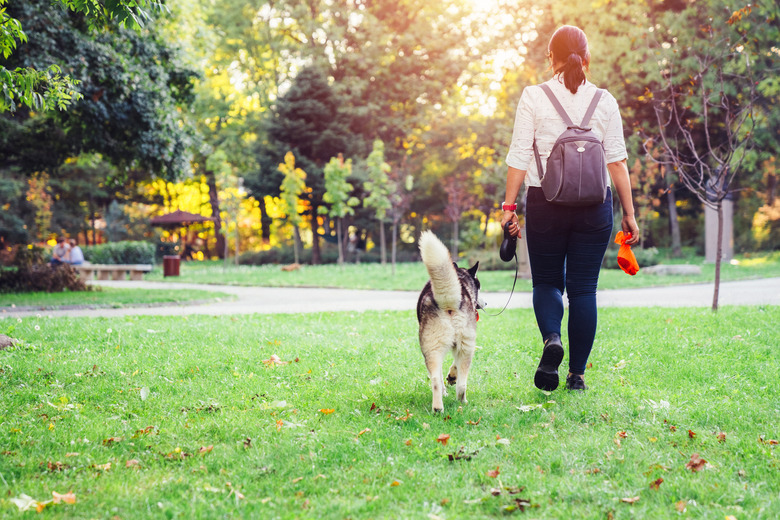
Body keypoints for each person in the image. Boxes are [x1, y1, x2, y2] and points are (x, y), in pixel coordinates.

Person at [501, 25, 640, 391]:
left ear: (552, 58)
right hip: (596, 207)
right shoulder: (605, 101)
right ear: (587, 57)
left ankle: (552, 340)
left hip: (546, 202)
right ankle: (576, 376)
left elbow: (518, 155)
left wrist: (508, 206)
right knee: (583, 289)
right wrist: (629, 212)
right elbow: (617, 162)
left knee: (547, 281)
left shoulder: (534, 96)